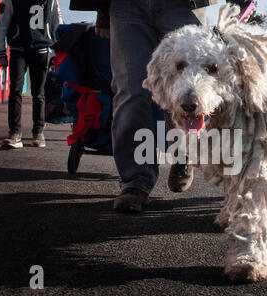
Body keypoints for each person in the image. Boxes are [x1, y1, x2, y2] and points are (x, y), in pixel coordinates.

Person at [70, 0, 254, 212]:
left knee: (187, 83)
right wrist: (103, 11)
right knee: (131, 90)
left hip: (183, 5)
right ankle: (135, 182)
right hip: (127, 7)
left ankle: (183, 154)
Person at [0, 0, 63, 149]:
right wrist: (1, 51)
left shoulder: (51, 1)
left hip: (42, 49)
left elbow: (57, 23)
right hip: (18, 49)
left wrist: (58, 53)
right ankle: (14, 133)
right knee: (15, 91)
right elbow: (2, 23)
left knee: (39, 93)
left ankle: (38, 132)